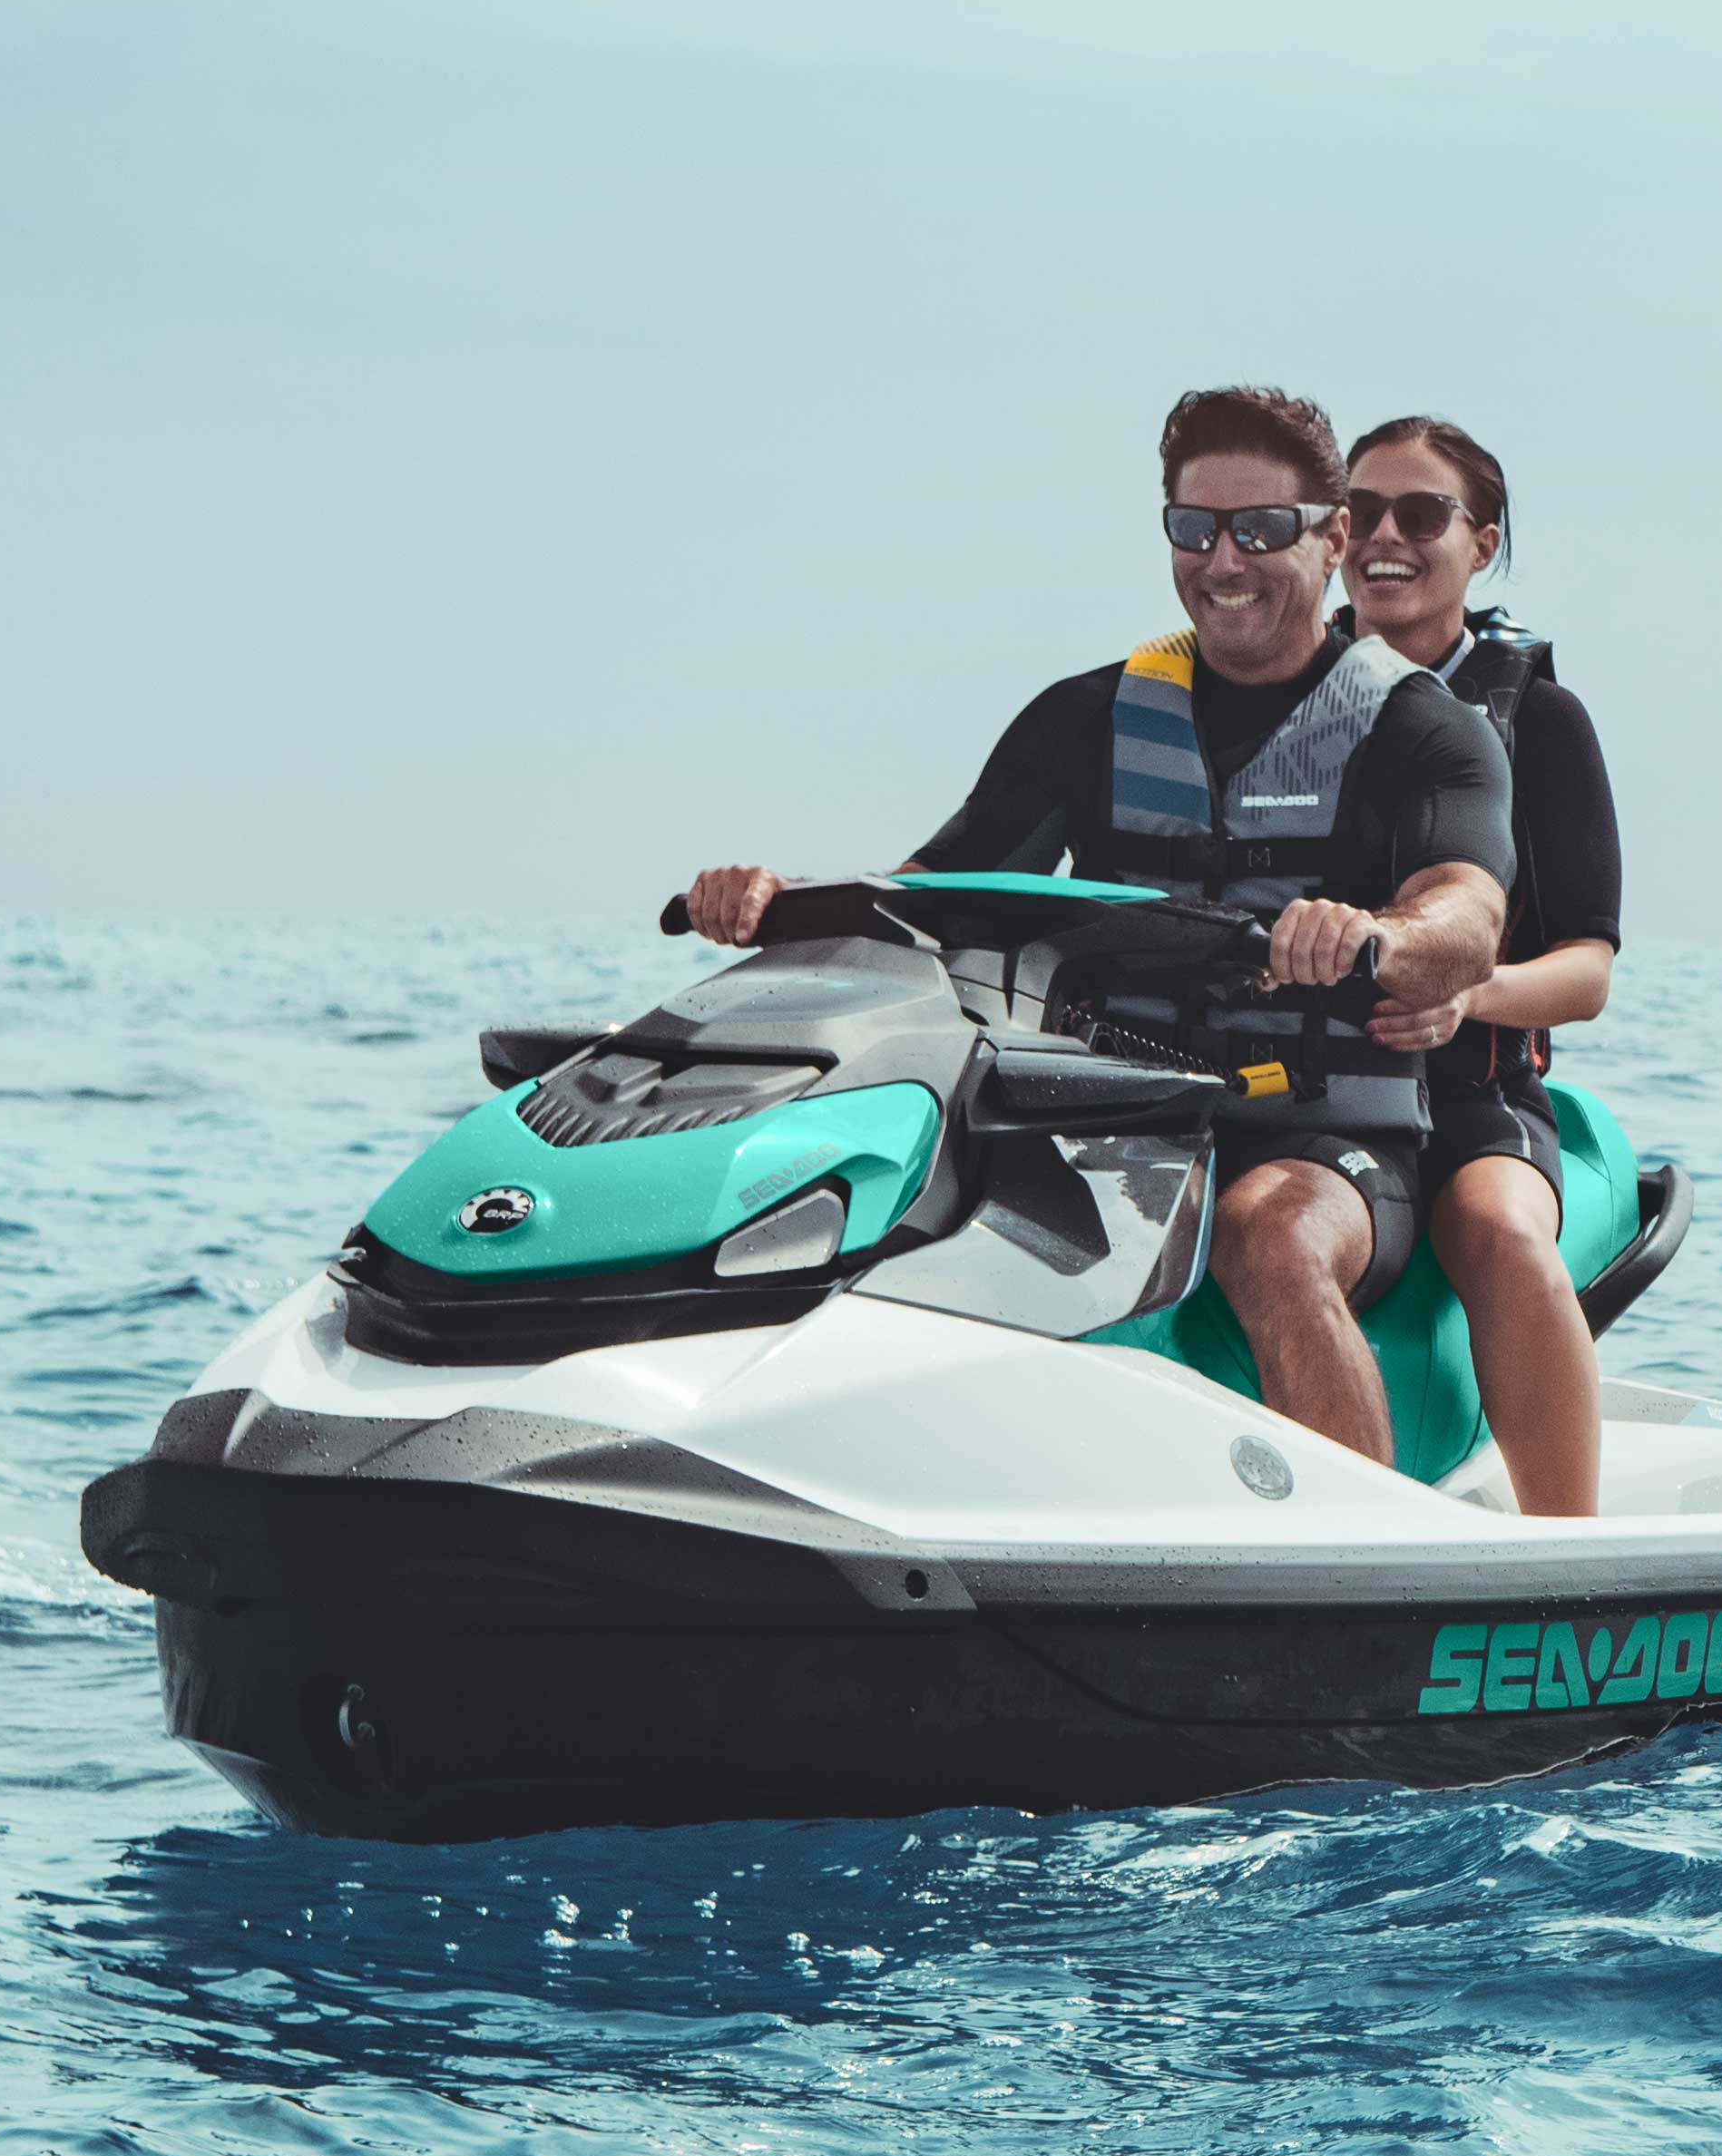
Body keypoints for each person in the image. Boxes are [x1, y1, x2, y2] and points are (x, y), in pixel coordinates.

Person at [685, 387, 1512, 1467]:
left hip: (1324, 1133)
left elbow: (1469, 918)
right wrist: (771, 904)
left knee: (1271, 1240)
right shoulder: (1086, 716)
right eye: (1193, 528)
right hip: (1110, 1122)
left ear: (1331, 536)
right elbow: (931, 893)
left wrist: (1374, 934)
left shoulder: (1420, 727)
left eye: (1261, 530)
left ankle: (1364, 1561)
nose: (1224, 560)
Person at [1336, 416, 1623, 1516]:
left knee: (1498, 1231)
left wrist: (1462, 997)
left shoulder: (1538, 720)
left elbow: (1586, 970)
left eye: (1421, 514)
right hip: (1282, 1086)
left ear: (1481, 542)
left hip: (1467, 1091)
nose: (1382, 538)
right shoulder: (1271, 705)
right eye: (1356, 513)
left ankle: (1570, 1549)